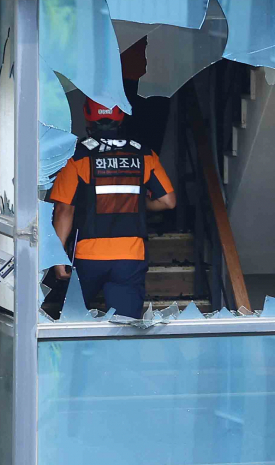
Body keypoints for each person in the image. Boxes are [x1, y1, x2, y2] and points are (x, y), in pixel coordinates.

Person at [47, 98, 177, 319]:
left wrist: (57, 256)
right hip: (130, 255)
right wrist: (139, 201)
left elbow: (64, 210)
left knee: (73, 323)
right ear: (122, 115)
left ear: (88, 115)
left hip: (88, 256)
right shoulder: (144, 154)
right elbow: (168, 201)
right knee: (125, 326)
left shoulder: (77, 157)